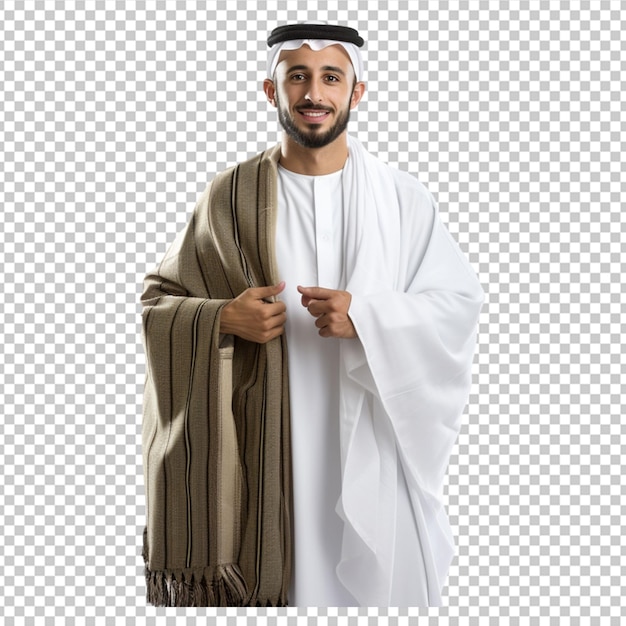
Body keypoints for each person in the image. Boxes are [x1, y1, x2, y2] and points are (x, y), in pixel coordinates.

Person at [140, 22, 484, 608]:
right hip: (261, 445)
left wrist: (370, 319)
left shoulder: (403, 199)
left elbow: (457, 306)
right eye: (296, 76)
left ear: (357, 92)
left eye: (331, 77)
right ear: (271, 90)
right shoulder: (228, 195)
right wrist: (223, 319)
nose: (313, 94)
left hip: (373, 440)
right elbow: (159, 301)